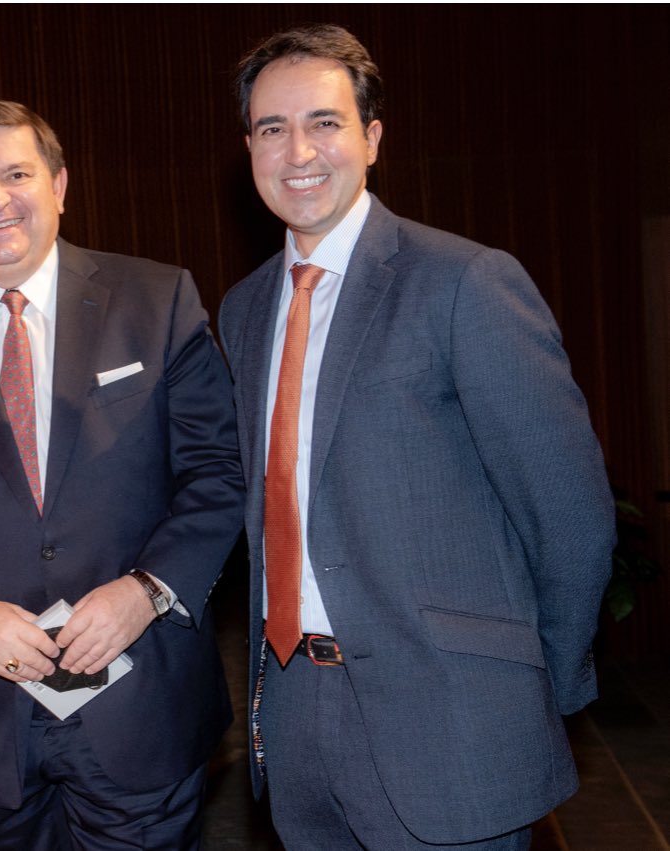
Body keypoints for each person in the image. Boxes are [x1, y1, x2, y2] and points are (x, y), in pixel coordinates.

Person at [218, 24, 615, 850]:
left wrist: (529, 686)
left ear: (371, 137)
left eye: (324, 122)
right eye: (271, 127)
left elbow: (568, 511)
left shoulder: (464, 282)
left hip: (451, 721)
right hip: (294, 714)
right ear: (248, 145)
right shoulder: (246, 309)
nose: (298, 149)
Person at [0, 99, 244, 850]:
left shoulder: (159, 300)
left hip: (140, 694)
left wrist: (146, 591)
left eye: (17, 173)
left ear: (59, 183)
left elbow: (218, 472)